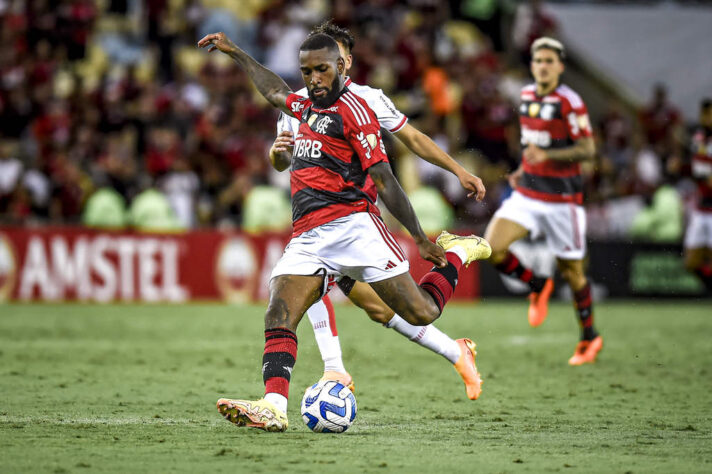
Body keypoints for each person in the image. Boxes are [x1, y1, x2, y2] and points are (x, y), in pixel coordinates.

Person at [197, 31, 491, 432]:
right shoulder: (304, 105)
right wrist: (236, 53)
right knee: (279, 312)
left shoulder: (357, 110)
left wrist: (421, 237)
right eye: (307, 71)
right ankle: (273, 405)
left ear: (341, 65)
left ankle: (457, 252)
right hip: (308, 236)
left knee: (422, 310)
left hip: (356, 230)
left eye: (321, 70)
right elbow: (274, 91)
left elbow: (385, 179)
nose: (314, 78)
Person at [269, 22, 487, 402]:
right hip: (311, 221)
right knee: (374, 308)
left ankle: (335, 367)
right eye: (316, 63)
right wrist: (277, 154)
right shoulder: (295, 102)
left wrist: (457, 169)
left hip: (355, 220)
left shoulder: (366, 99)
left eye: (336, 58)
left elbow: (413, 139)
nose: (326, 68)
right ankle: (454, 352)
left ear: (346, 61)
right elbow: (283, 160)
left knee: (389, 307)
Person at [483, 37, 602, 365]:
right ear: (532, 66)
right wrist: (523, 168)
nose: (543, 66)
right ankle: (537, 284)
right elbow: (531, 144)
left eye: (550, 61)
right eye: (539, 61)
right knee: (491, 248)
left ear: (560, 67)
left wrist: (546, 154)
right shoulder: (524, 96)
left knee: (574, 273)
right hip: (528, 194)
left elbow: (587, 149)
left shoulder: (570, 102)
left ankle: (589, 338)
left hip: (562, 200)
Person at [683, 98, 712, 293]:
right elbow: (696, 170)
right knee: (691, 262)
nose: (706, 118)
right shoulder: (698, 138)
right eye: (704, 114)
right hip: (701, 208)